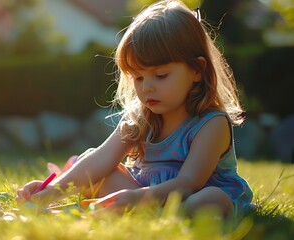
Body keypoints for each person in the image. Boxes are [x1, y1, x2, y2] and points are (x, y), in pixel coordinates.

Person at [16, 0, 254, 218]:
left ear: (197, 70)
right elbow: (102, 158)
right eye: (138, 78)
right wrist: (51, 192)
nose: (147, 88)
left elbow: (189, 182)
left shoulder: (210, 123)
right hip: (140, 193)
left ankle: (157, 213)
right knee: (92, 162)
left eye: (160, 76)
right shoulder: (139, 117)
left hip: (191, 195)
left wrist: (138, 198)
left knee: (208, 200)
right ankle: (144, 213)